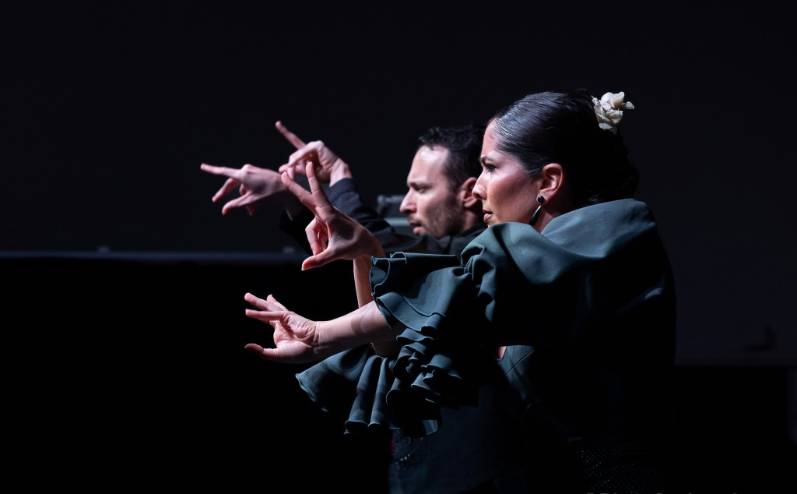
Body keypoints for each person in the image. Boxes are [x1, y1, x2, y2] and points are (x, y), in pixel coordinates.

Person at [242, 89, 675, 493]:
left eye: (490, 168)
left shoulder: (616, 228)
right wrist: (363, 255)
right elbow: (402, 341)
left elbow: (459, 289)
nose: (478, 185)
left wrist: (322, 332)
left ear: (549, 180)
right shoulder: (518, 273)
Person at [200, 122, 485, 257]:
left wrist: (339, 176)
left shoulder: (479, 253)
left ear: (469, 193)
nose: (404, 205)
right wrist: (289, 194)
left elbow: (382, 251)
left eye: (420, 189)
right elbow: (358, 253)